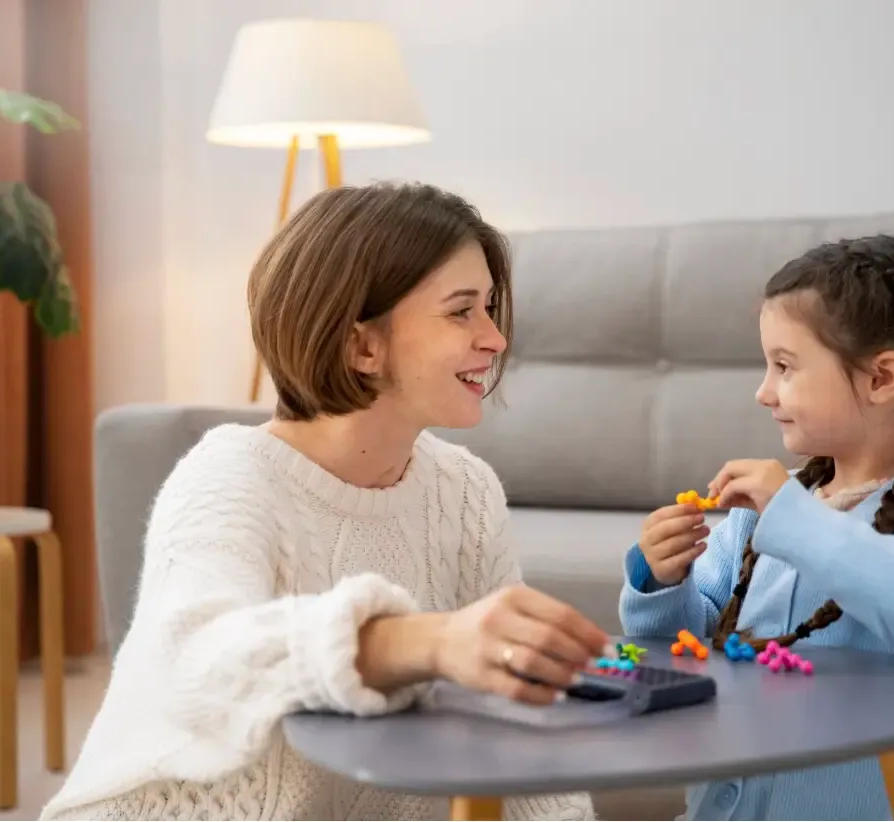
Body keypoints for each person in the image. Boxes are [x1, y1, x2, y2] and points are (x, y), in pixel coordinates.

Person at [41, 182, 609, 821]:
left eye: (490, 307)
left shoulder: (465, 492)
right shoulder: (230, 474)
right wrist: (427, 641)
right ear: (362, 345)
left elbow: (515, 720)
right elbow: (194, 662)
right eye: (461, 311)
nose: (495, 339)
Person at [619, 235, 894, 820]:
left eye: (784, 366)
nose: (763, 391)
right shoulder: (764, 512)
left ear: (882, 379)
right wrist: (660, 581)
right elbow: (682, 649)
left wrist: (795, 519)